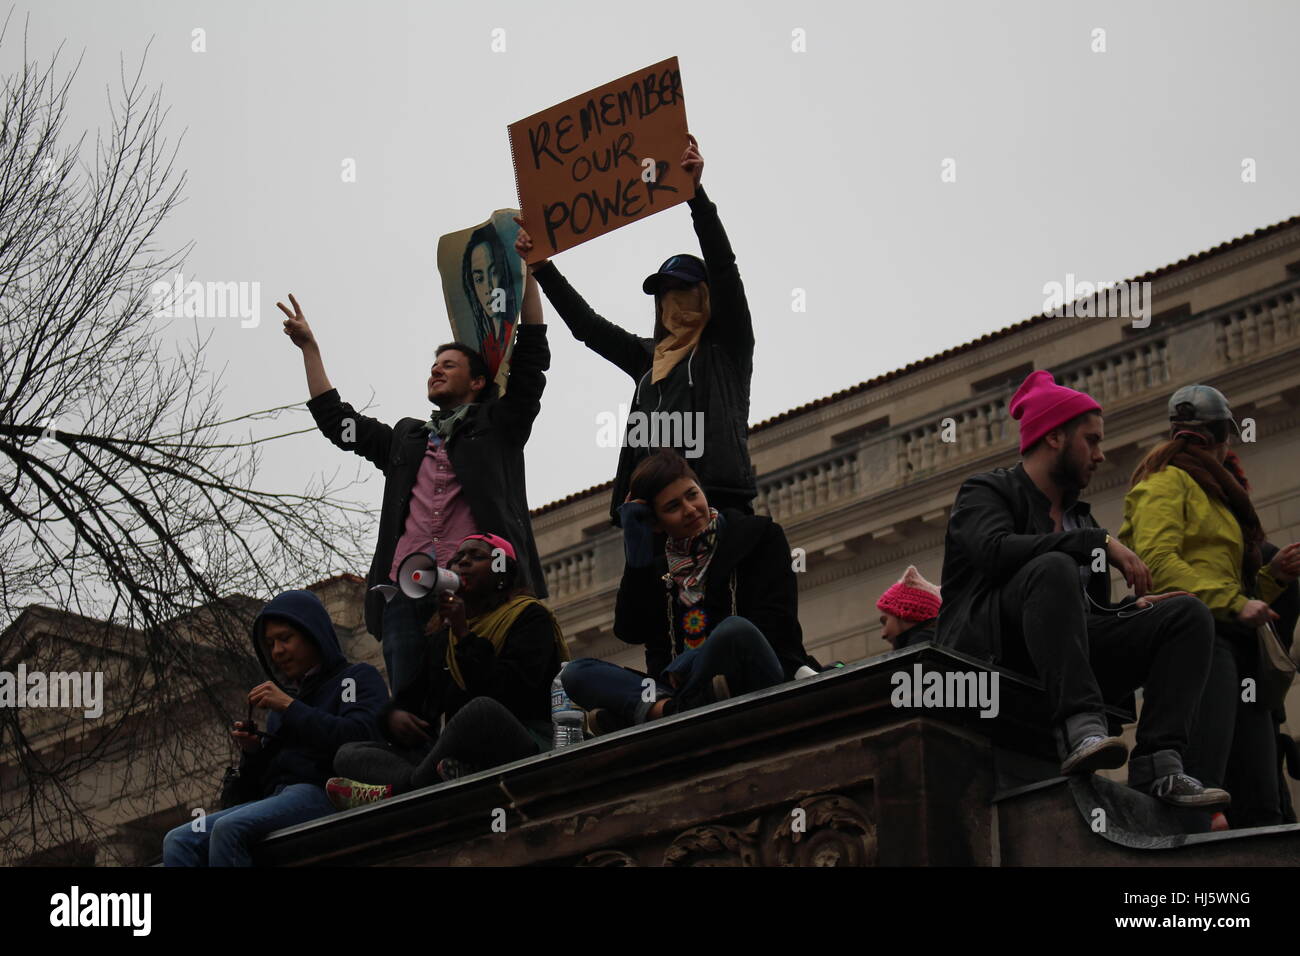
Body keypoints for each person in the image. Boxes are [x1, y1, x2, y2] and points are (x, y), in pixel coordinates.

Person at [935, 369, 1229, 809]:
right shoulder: (987, 491)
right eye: (1090, 440)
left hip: (1059, 659)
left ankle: (1159, 764)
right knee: (1050, 566)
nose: (1100, 454)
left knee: (1185, 615)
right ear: (1055, 437)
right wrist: (1093, 542)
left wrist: (1131, 611)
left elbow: (1085, 618)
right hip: (990, 658)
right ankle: (1080, 727)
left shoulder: (1082, 521)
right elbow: (994, 552)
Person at [278, 265, 549, 694]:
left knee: (472, 687)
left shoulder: (498, 426)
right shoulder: (407, 439)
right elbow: (339, 423)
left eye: (449, 365)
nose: (436, 371)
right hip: (410, 589)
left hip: (476, 586)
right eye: (433, 365)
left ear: (478, 382)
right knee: (409, 698)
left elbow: (530, 362)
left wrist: (530, 280)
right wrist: (310, 349)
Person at [515, 135, 757, 526]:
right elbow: (587, 327)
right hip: (650, 516)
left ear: (707, 296)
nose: (672, 301)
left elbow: (724, 266)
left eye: (683, 290)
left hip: (716, 504)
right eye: (664, 294)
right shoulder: (647, 359)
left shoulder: (724, 349)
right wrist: (542, 266)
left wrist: (696, 197)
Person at [1121, 384, 1300, 827]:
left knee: (1262, 803)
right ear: (1219, 438)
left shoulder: (1217, 498)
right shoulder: (1164, 483)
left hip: (1241, 647)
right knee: (1204, 786)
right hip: (1203, 642)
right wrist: (1234, 603)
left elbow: (1228, 582)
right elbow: (1158, 565)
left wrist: (1274, 577)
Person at [561, 451, 819, 734]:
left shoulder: (757, 535)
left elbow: (777, 629)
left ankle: (657, 712)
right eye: (673, 506)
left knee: (735, 631)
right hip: (678, 690)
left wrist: (688, 662)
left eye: (692, 494)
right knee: (575, 674)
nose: (690, 509)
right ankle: (677, 709)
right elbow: (630, 630)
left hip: (756, 672)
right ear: (656, 522)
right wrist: (637, 558)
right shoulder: (658, 572)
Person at [326, 534, 568, 807]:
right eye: (457, 558)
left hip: (524, 741)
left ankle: (403, 791)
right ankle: (426, 783)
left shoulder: (529, 617)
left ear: (501, 571)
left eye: (476, 557)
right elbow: (412, 700)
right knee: (348, 754)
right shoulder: (444, 638)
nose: (463, 562)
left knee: (481, 711)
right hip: (454, 758)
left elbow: (510, 692)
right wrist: (395, 717)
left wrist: (464, 635)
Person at [162, 590, 388, 866]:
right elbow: (261, 791)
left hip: (326, 791)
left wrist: (291, 707)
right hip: (282, 798)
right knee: (178, 840)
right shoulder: (283, 704)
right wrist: (253, 752)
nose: (277, 652)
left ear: (312, 635)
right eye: (270, 644)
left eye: (285, 639)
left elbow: (360, 737)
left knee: (228, 829)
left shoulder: (353, 679)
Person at [462, 223, 519, 376]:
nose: (488, 288)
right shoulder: (483, 350)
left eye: (494, 272)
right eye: (479, 278)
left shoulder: (516, 341)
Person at [877, 566, 941, 650]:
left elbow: (918, 663)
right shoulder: (933, 643)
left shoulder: (918, 649)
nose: (883, 634)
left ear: (904, 614)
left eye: (885, 621)